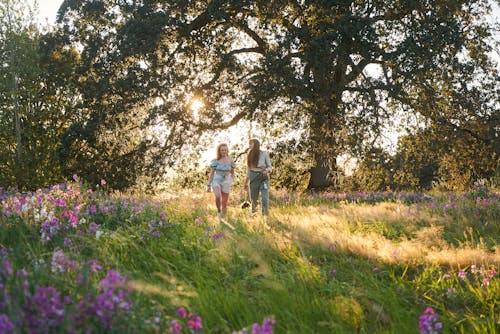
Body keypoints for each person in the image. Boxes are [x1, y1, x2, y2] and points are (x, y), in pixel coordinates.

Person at [243, 139, 272, 219]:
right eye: (249, 144)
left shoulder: (264, 154)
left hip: (263, 177)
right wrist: (246, 183)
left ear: (256, 144)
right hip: (253, 177)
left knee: (264, 197)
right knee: (254, 199)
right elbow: (248, 171)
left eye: (251, 144)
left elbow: (270, 166)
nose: (249, 146)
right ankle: (253, 215)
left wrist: (267, 170)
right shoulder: (249, 155)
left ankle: (265, 216)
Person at [207, 143, 236, 219]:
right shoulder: (216, 161)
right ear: (219, 151)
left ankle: (224, 217)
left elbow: (232, 172)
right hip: (217, 179)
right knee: (218, 195)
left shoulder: (230, 160)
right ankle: (219, 211)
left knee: (224, 202)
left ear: (227, 150)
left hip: (226, 180)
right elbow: (212, 173)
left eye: (225, 150)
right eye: (222, 150)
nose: (224, 151)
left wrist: (231, 179)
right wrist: (209, 185)